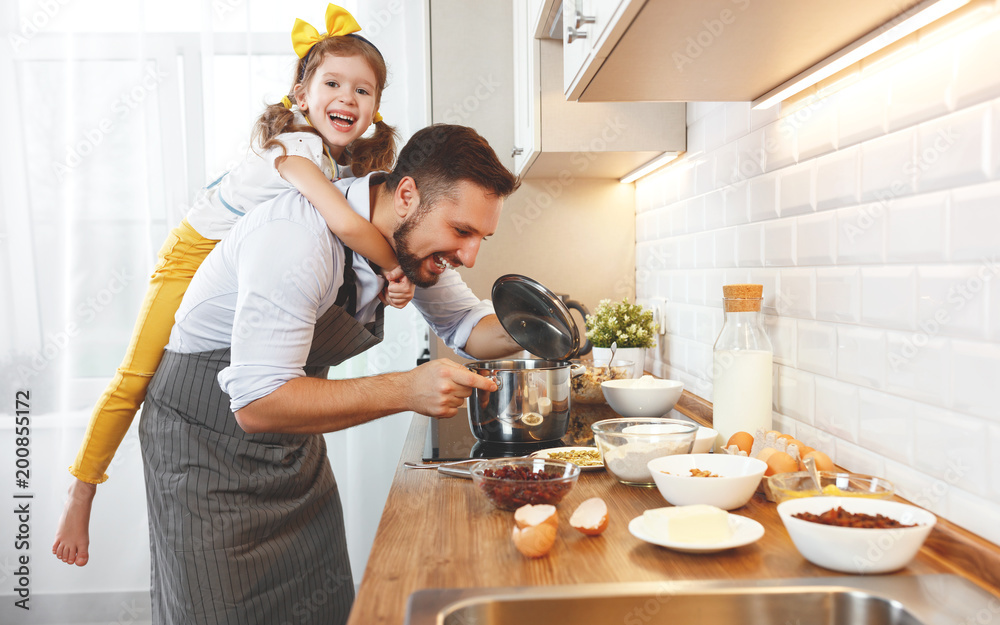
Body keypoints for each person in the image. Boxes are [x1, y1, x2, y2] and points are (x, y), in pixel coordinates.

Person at [52, 3, 412, 567]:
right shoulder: (296, 147)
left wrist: (384, 283)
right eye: (333, 83)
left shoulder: (340, 166)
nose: (347, 97)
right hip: (192, 254)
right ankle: (81, 490)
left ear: (375, 109)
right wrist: (397, 267)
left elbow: (342, 246)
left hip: (231, 265)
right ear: (300, 93)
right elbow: (345, 225)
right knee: (136, 376)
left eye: (362, 90)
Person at [140, 122, 520, 625]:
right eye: (462, 231)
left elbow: (469, 327)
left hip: (291, 452)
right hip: (205, 455)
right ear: (407, 194)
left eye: (480, 237)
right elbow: (257, 404)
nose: (469, 256)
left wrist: (550, 325)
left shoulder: (405, 241)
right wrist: (407, 389)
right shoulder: (297, 239)